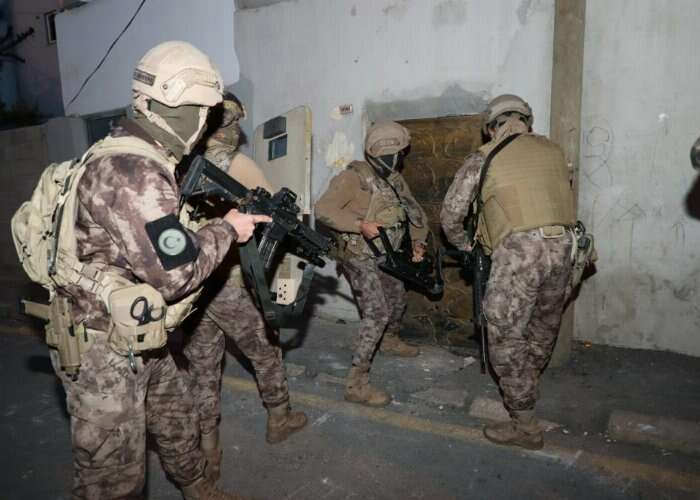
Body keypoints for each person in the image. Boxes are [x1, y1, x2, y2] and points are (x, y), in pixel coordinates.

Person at [53, 41, 267, 499]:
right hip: (102, 352)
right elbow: (177, 275)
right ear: (180, 107)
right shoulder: (134, 170)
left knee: (176, 420)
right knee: (112, 477)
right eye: (203, 112)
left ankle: (197, 487)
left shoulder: (126, 152)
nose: (205, 124)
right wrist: (227, 229)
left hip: (139, 332)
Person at [183, 95, 307, 481]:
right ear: (231, 126)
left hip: (192, 283)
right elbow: (272, 218)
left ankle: (208, 450)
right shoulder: (238, 163)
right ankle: (279, 418)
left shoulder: (181, 162)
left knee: (203, 366)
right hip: (227, 282)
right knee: (266, 351)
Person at [440, 94, 575, 450]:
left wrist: (465, 246)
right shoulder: (556, 153)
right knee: (544, 325)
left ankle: (525, 425)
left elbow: (451, 214)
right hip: (566, 249)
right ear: (527, 122)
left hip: (520, 253)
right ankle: (528, 382)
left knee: (503, 334)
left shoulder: (484, 157)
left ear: (490, 129)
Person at [315, 121, 428, 407]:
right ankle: (356, 383)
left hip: (386, 253)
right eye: (397, 153)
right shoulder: (352, 178)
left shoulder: (395, 180)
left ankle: (389, 340)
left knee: (397, 298)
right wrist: (358, 225)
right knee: (377, 313)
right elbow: (323, 210)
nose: (398, 158)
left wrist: (419, 242)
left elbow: (414, 212)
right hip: (358, 255)